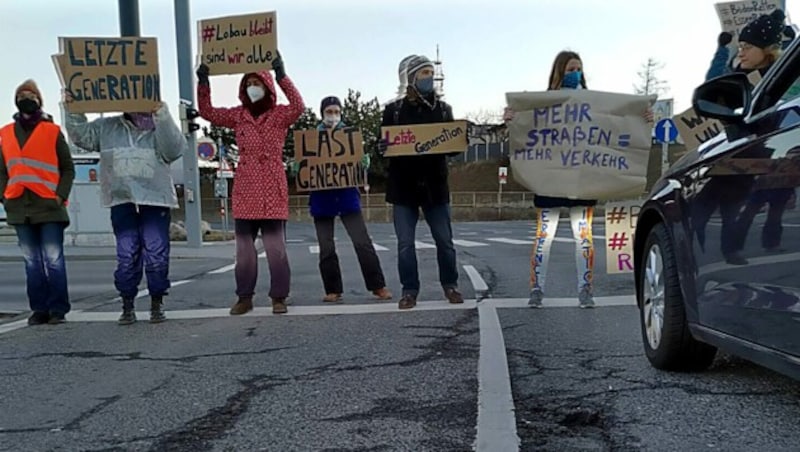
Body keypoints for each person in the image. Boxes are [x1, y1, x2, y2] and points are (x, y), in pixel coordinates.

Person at [504, 51, 653, 308]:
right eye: (571, 69)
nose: (576, 74)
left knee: (582, 236)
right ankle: (537, 288)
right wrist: (512, 119)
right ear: (560, 71)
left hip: (582, 181)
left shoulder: (593, 105)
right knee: (544, 236)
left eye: (579, 69)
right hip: (551, 180)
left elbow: (618, 125)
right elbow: (527, 128)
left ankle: (585, 289)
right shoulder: (544, 104)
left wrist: (644, 119)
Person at [196, 52, 304, 315]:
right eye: (248, 84)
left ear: (267, 86)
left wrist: (282, 76)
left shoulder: (279, 115)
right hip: (245, 190)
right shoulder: (238, 115)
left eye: (256, 83)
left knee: (275, 249)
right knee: (244, 251)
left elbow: (298, 107)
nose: (252, 88)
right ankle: (244, 297)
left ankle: (279, 297)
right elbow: (207, 112)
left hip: (272, 189)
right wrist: (204, 82)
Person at [64, 94, 186, 325]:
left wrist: (162, 112)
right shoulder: (108, 127)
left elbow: (173, 150)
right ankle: (127, 303)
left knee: (156, 251)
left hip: (155, 199)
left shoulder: (160, 126)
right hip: (122, 198)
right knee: (127, 253)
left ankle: (156, 302)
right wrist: (73, 107)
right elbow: (82, 136)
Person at [378, 54, 464, 310]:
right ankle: (409, 290)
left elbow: (451, 148)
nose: (429, 77)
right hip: (403, 188)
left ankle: (450, 285)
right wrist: (380, 146)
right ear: (410, 78)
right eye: (424, 73)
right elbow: (382, 147)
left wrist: (460, 140)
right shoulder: (392, 112)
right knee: (405, 244)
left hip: (435, 187)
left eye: (430, 72)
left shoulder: (443, 109)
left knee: (445, 241)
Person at [290, 96, 392, 303]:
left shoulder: (350, 137)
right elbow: (302, 167)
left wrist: (364, 162)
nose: (333, 115)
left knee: (362, 242)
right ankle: (332, 289)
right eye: (329, 111)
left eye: (336, 111)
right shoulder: (310, 139)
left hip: (347, 196)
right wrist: (298, 167)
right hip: (321, 198)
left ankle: (378, 285)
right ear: (322, 113)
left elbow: (359, 164)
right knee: (326, 246)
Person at [0, 79, 74, 325]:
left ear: (39, 99)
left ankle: (58, 309)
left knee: (53, 260)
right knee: (32, 263)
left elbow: (67, 168)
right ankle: (39, 309)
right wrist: (5, 196)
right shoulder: (6, 133)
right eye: (22, 94)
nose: (26, 97)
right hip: (20, 208)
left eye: (31, 94)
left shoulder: (51, 130)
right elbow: (3, 171)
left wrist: (60, 196)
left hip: (49, 207)